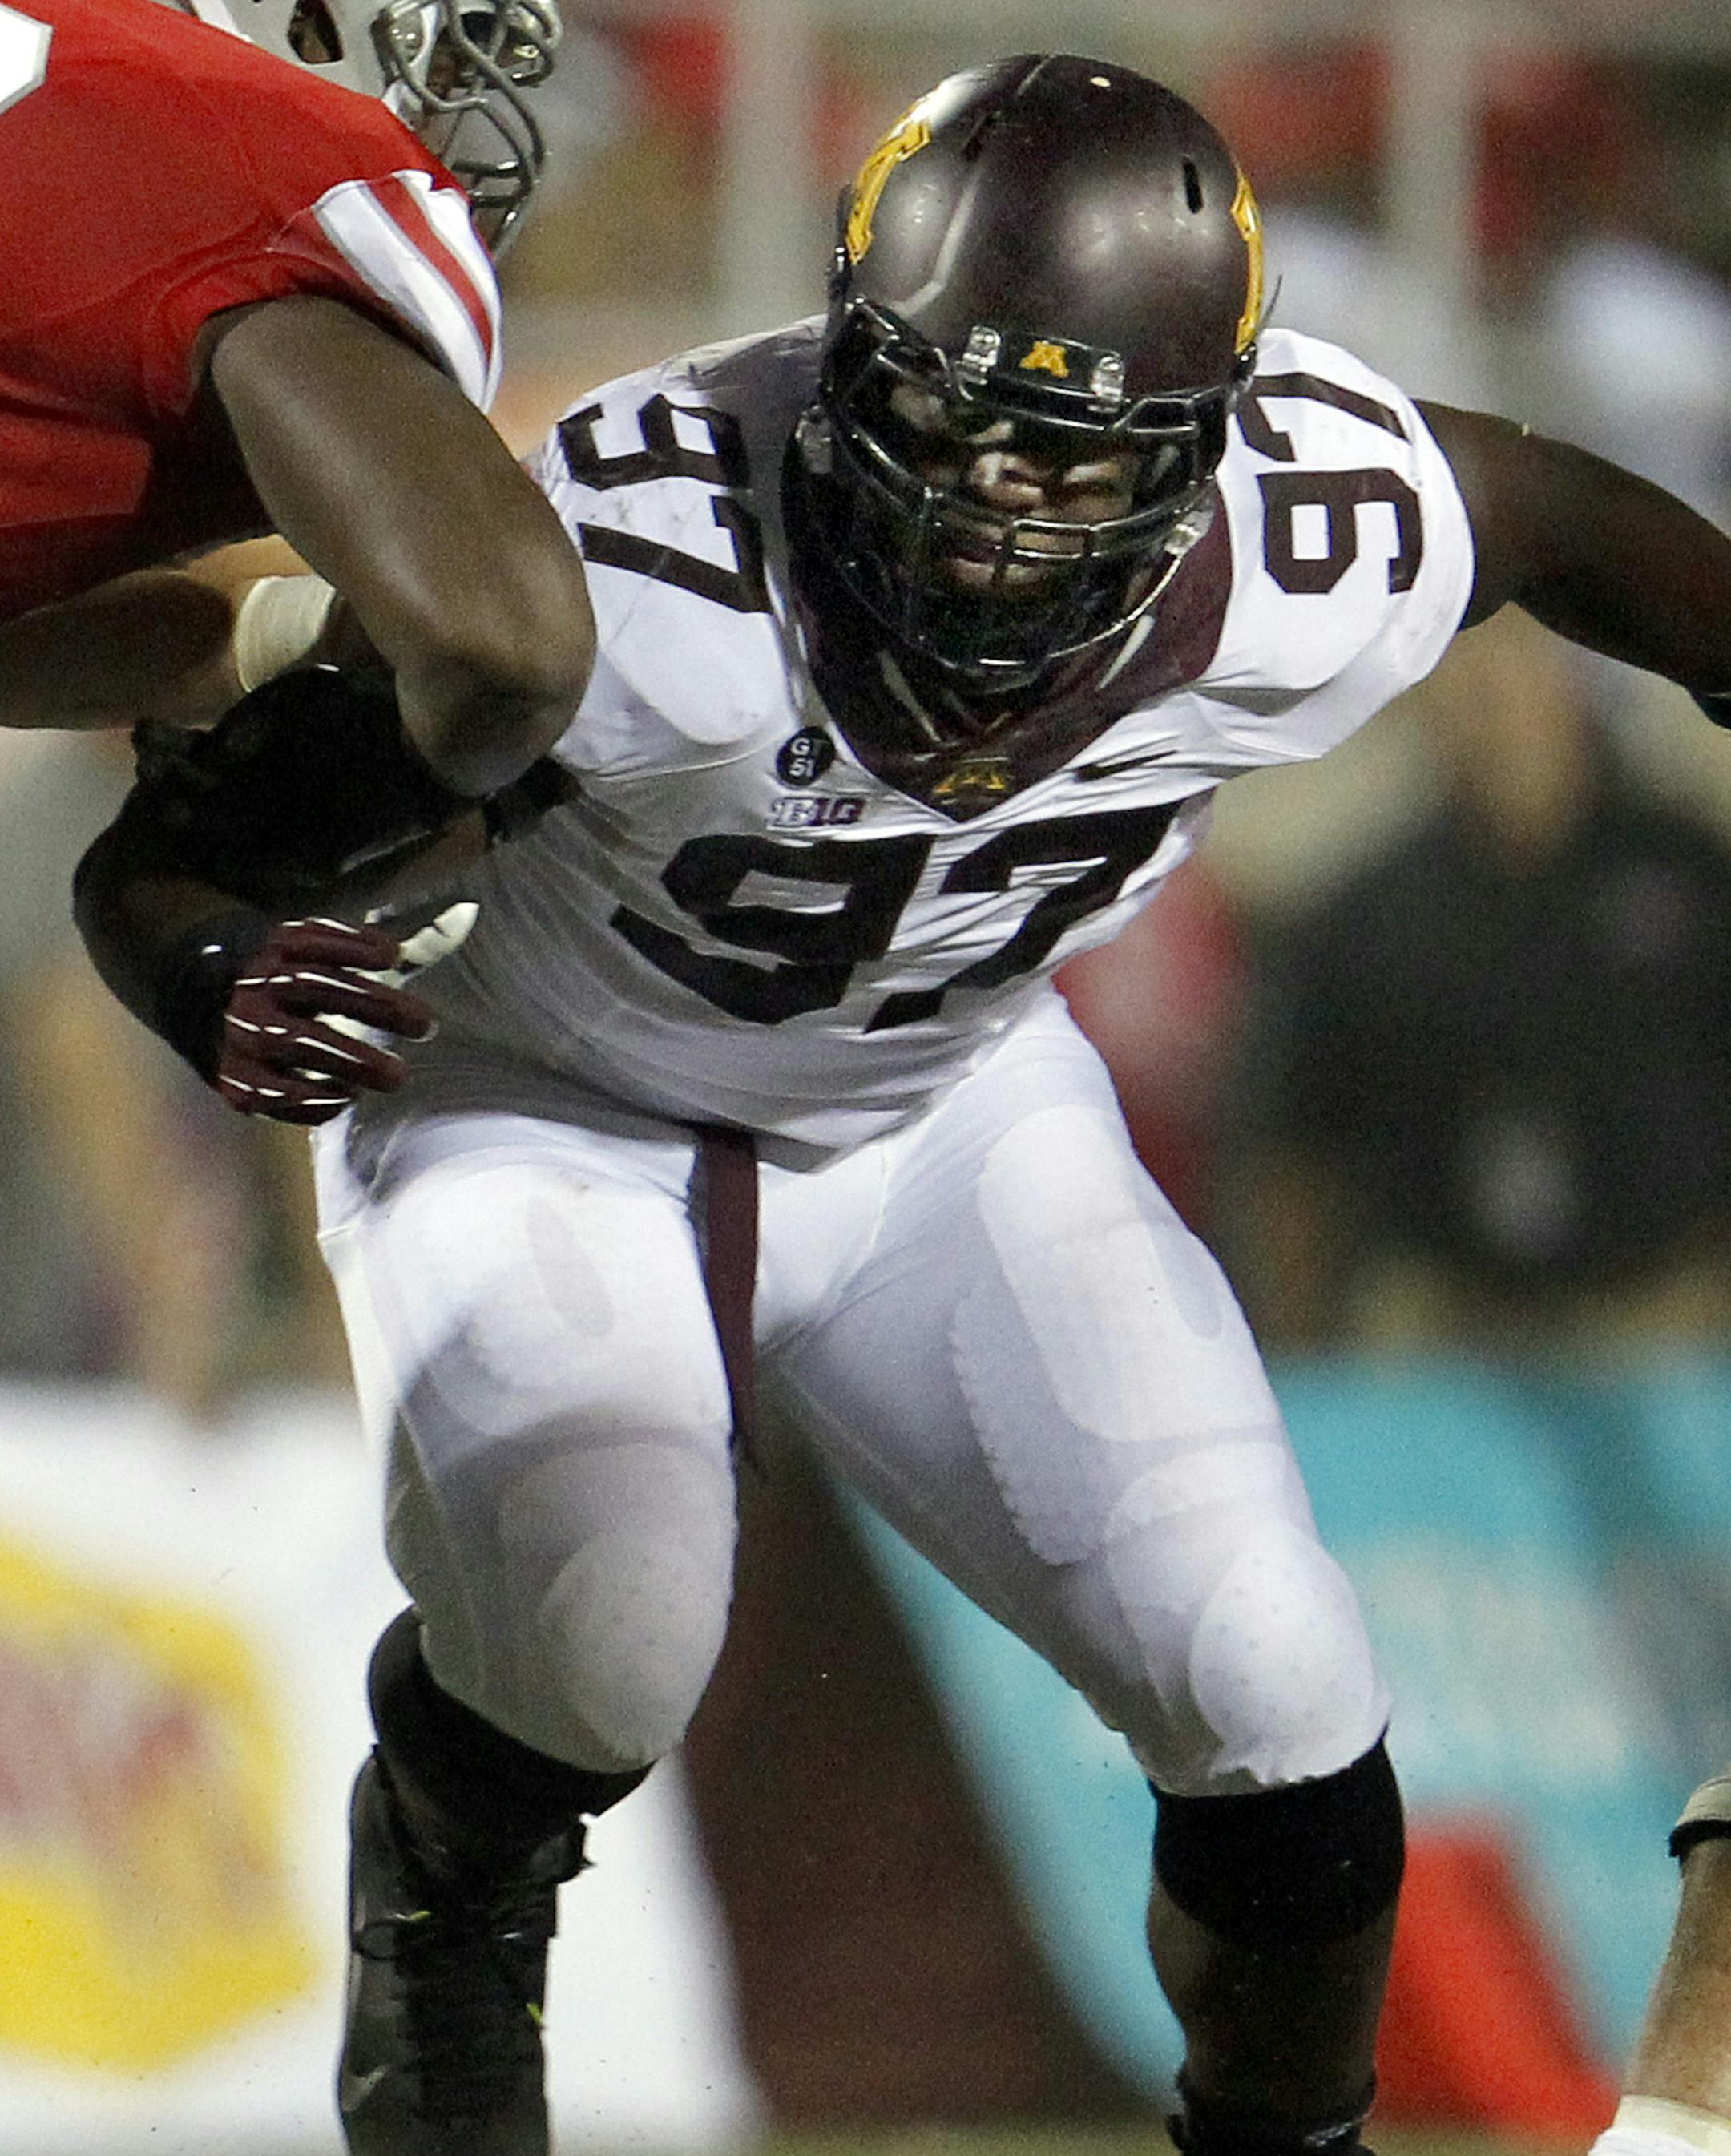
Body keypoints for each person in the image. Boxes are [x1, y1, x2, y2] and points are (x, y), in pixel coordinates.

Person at [70, 50, 1731, 2156]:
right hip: (545, 1087)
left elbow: (1564, 520)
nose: (992, 507)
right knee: (603, 1622)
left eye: (1067, 461)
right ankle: (445, 1941)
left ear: (1207, 450)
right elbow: (164, 863)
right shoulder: (629, 564)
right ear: (853, 369)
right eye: (951, 427)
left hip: (940, 1097)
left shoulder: (1320, 531)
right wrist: (218, 966)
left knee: (1276, 1689)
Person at [0, 0, 591, 812]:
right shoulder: (275, 173)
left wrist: (290, 633)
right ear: (308, 19)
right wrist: (271, 865)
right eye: (444, 64)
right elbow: (505, 655)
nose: (442, 104)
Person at [1221, 606, 1731, 1352]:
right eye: (1457, 673)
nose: (1487, 697)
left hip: (1666, 1317)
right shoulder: (1362, 918)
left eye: (1514, 663)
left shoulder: (1691, 875)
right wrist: (1296, 1353)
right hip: (1442, 1327)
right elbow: (1296, 1156)